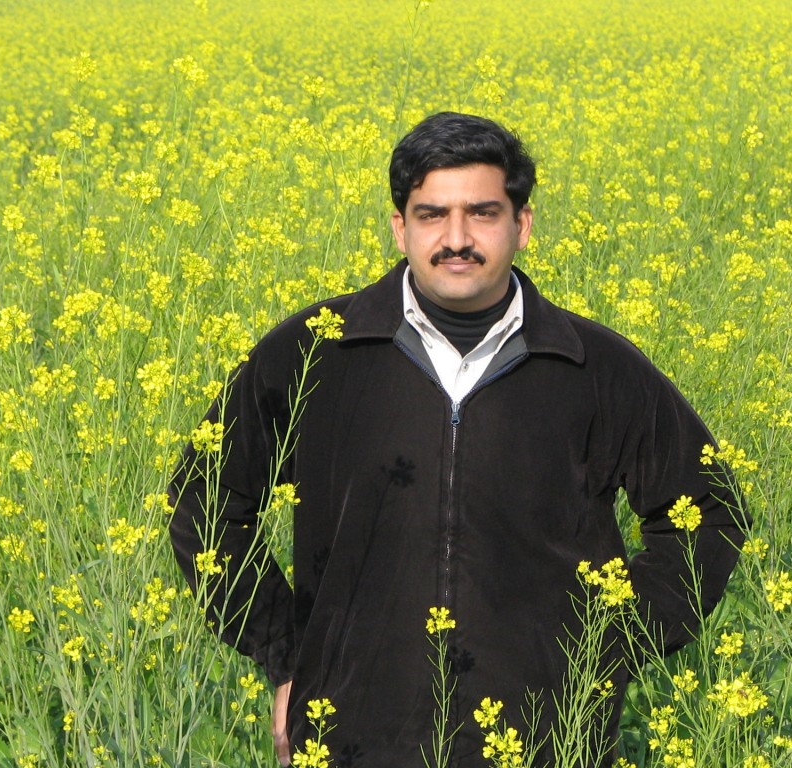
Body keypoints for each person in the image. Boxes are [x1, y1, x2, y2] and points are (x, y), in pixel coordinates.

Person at [168, 112, 746, 767]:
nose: (457, 238)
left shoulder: (595, 367)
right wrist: (288, 657)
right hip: (352, 740)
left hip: (547, 744)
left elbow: (709, 512)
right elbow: (205, 501)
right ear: (400, 228)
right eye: (432, 214)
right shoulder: (315, 351)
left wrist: (608, 648)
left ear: (522, 225)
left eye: (482, 213)